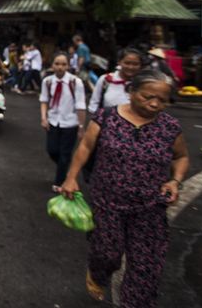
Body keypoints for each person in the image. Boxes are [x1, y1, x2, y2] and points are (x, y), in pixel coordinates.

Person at [59, 70, 189, 307]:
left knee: (146, 268)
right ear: (131, 92)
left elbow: (181, 157)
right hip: (108, 201)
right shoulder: (106, 117)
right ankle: (98, 274)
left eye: (163, 100)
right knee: (106, 253)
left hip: (151, 206)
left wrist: (175, 180)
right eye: (148, 96)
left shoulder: (170, 126)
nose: (155, 104)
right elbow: (86, 147)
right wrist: (71, 177)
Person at [39, 52, 86, 189]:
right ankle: (64, 170)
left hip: (70, 123)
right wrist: (43, 118)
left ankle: (60, 183)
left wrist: (81, 126)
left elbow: (80, 105)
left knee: (65, 153)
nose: (60, 67)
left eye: (63, 64)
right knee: (52, 150)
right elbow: (44, 101)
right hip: (53, 121)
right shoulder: (47, 81)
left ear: (68, 65)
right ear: (52, 65)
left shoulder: (75, 82)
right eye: (57, 64)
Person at [88, 47, 145, 115]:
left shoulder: (143, 84)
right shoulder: (106, 80)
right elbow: (94, 103)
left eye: (135, 64)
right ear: (119, 62)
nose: (131, 67)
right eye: (127, 63)